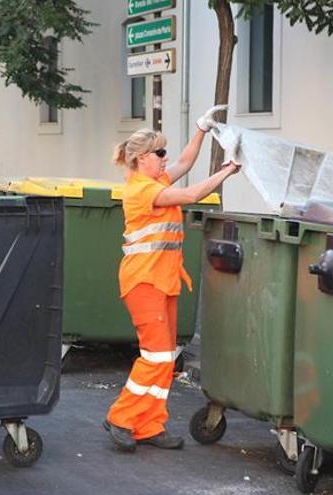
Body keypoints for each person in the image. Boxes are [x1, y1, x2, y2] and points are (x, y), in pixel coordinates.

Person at [104, 105, 241, 452]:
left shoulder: (155, 180)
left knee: (165, 358)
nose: (166, 158)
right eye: (159, 152)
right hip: (144, 282)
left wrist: (201, 129)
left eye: (164, 151)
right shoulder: (141, 191)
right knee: (155, 356)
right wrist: (228, 170)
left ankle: (149, 424)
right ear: (141, 159)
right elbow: (193, 195)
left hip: (162, 280)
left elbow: (186, 163)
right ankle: (121, 418)